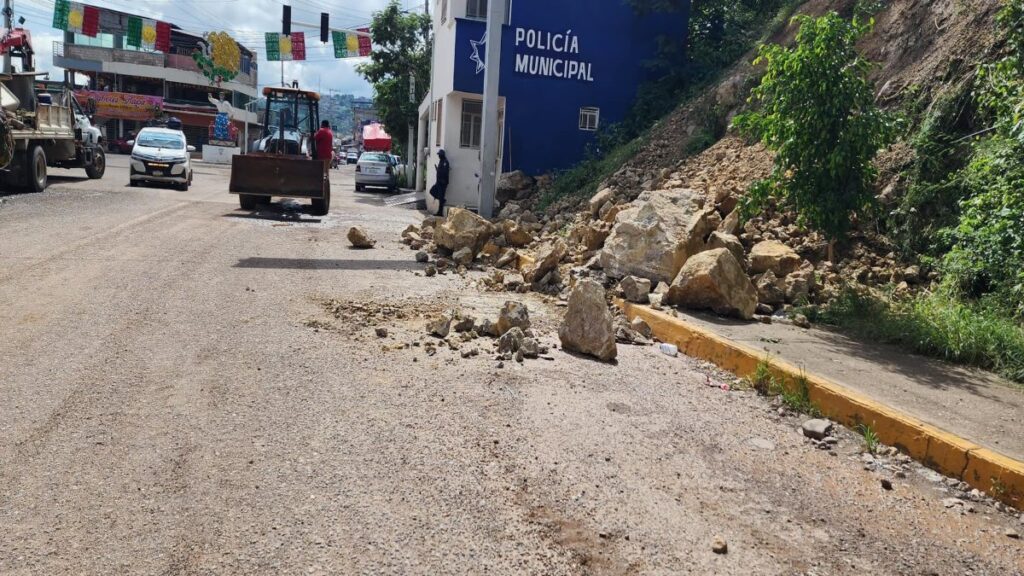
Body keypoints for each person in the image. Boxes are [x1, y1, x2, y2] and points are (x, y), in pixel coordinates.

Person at [431, 149, 450, 216]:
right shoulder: (441, 161)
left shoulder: (445, 162)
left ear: (442, 155)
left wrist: (442, 179)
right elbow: (441, 171)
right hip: (438, 182)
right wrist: (437, 169)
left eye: (439, 154)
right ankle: (442, 199)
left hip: (442, 182)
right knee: (432, 191)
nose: (438, 156)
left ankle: (440, 212)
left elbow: (444, 172)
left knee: (440, 198)